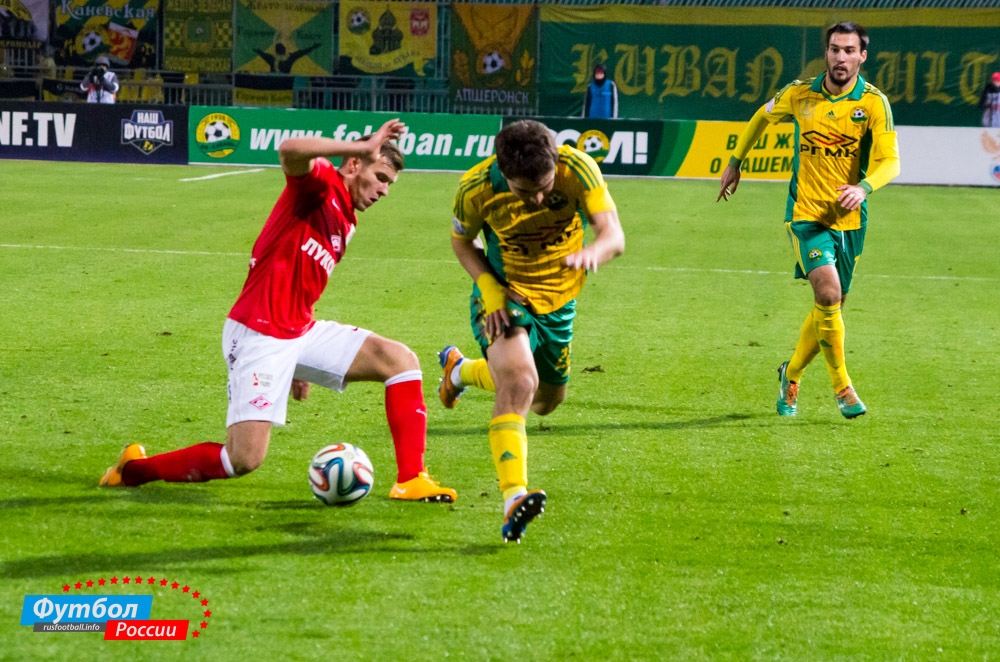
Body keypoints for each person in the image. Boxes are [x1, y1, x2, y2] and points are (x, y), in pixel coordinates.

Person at [101, 119, 457, 504]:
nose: (384, 190)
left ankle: (411, 479)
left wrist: (299, 364)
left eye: (389, 184)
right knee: (243, 458)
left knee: (398, 360)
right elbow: (289, 149)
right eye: (381, 177)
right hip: (259, 332)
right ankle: (133, 471)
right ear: (355, 165)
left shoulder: (346, 219)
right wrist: (357, 146)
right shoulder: (320, 186)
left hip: (297, 330)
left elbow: (304, 280)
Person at [438, 119, 625, 542]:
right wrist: (490, 290)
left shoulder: (578, 169)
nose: (539, 199)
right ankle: (513, 498)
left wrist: (595, 251)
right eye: (525, 192)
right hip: (506, 296)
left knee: (546, 401)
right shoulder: (475, 189)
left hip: (559, 301)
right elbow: (462, 241)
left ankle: (461, 371)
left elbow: (613, 234)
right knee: (521, 382)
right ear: (504, 173)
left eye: (544, 186)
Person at [717, 21, 899, 419]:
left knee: (830, 307)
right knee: (829, 294)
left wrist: (864, 188)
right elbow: (761, 117)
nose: (840, 57)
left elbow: (891, 162)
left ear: (862, 56)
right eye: (834, 49)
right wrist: (735, 161)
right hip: (806, 216)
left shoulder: (873, 103)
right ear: (826, 52)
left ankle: (792, 373)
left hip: (849, 219)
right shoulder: (799, 93)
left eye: (849, 50)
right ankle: (843, 388)